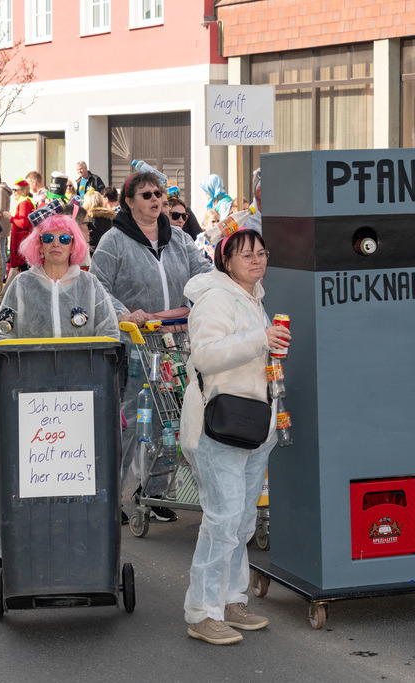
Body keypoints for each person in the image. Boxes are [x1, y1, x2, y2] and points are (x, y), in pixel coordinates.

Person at [0, 206, 120, 580]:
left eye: (64, 238)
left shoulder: (90, 286)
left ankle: (74, 540)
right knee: (17, 469)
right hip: (29, 398)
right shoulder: (23, 286)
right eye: (47, 238)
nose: (56, 244)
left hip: (81, 398)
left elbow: (110, 332)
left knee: (75, 470)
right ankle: (0, 548)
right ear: (36, 246)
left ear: (75, 244)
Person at [180, 228, 289, 645]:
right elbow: (204, 355)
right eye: (247, 255)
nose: (257, 261)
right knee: (223, 519)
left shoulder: (252, 296)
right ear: (227, 260)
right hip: (220, 424)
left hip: (253, 424)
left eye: (262, 253)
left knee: (241, 520)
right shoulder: (216, 298)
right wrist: (258, 339)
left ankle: (229, 599)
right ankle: (202, 612)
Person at [92, 171, 213, 523]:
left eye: (158, 193)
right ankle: (109, 498)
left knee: (172, 420)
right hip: (135, 344)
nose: (155, 200)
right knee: (129, 424)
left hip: (176, 344)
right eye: (146, 195)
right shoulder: (114, 241)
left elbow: (202, 274)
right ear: (129, 202)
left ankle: (154, 492)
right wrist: (127, 314)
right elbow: (98, 288)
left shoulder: (177, 238)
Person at [4, 178, 35, 288]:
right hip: (23, 241)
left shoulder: (24, 203)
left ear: (23, 191)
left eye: (15, 190)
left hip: (21, 242)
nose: (13, 192)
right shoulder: (25, 202)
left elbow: (23, 223)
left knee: (24, 271)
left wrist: (10, 218)